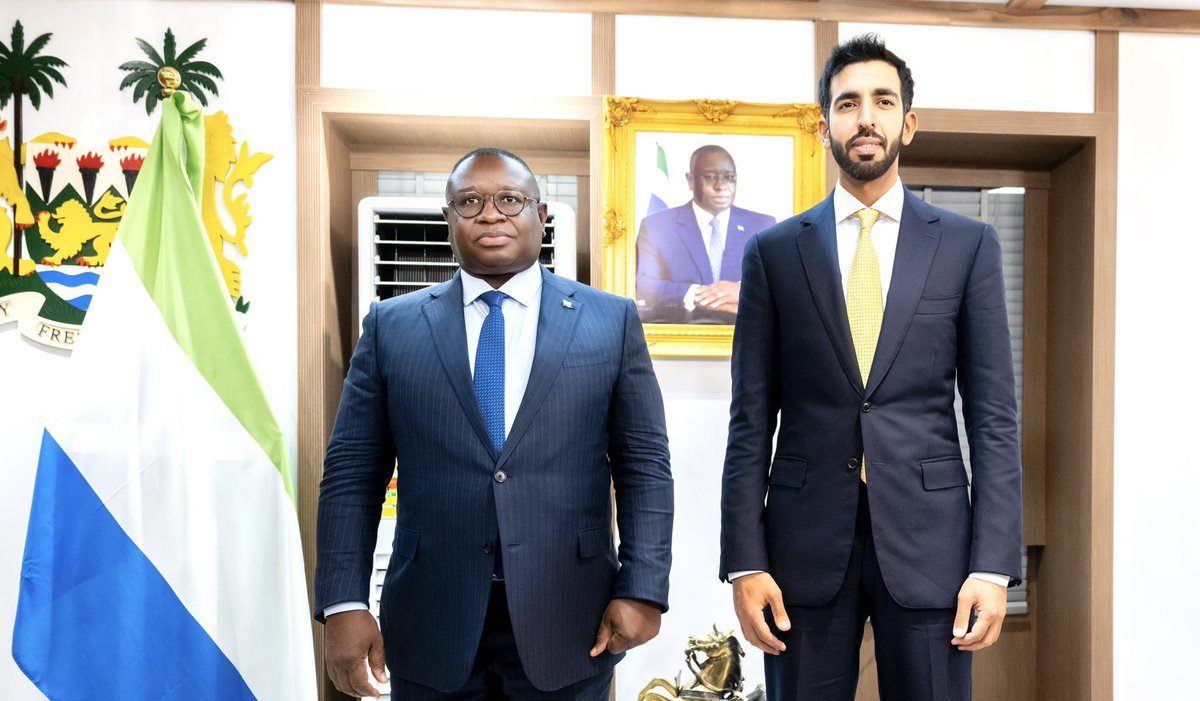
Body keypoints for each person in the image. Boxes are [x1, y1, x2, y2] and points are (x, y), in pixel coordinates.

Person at [719, 34, 1022, 700]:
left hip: (932, 542)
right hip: (800, 548)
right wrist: (745, 560)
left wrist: (994, 565)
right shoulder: (773, 252)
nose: (866, 117)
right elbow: (749, 420)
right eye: (848, 102)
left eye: (883, 101)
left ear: (907, 123)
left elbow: (994, 414)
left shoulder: (968, 245)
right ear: (823, 124)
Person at [315, 148, 674, 700]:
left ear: (541, 214)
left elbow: (644, 466)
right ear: (448, 219)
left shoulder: (610, 320)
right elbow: (350, 475)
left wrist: (644, 587)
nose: (490, 214)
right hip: (430, 620)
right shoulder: (392, 326)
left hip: (573, 618)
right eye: (470, 202)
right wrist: (344, 603)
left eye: (509, 199)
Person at [635, 145, 776, 324]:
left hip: (745, 338)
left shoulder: (763, 225)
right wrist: (694, 294)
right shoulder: (656, 226)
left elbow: (780, 285)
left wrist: (743, 291)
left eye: (729, 178)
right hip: (678, 338)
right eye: (710, 177)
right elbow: (642, 284)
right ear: (690, 180)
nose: (721, 186)